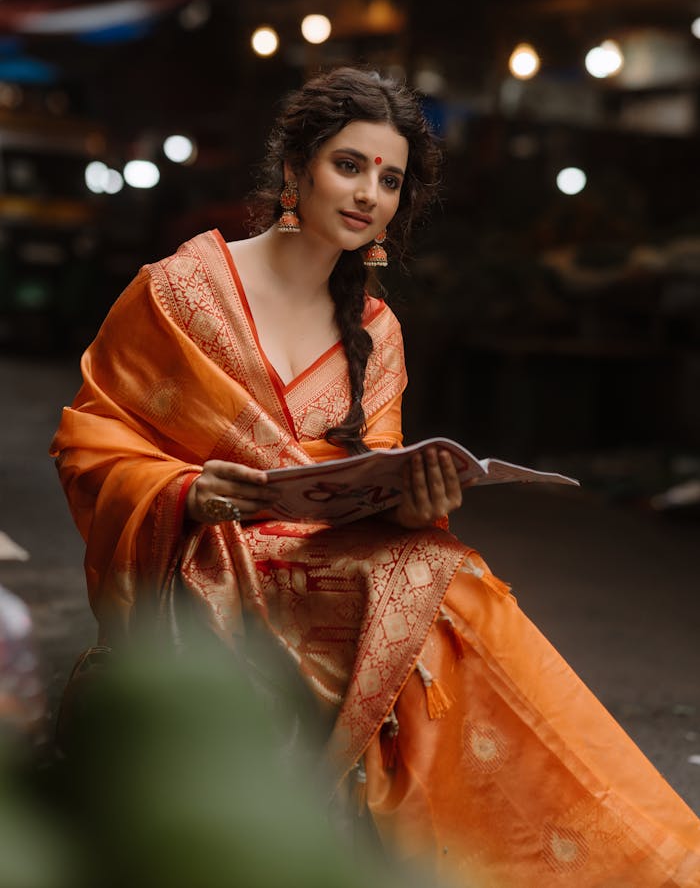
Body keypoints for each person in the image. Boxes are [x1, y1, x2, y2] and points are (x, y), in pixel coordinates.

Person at [51, 67, 700, 887]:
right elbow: (89, 444)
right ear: (294, 171)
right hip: (213, 555)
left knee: (443, 576)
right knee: (440, 590)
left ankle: (604, 851)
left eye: (390, 179)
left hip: (328, 553)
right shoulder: (178, 292)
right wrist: (182, 491)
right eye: (349, 166)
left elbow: (374, 477)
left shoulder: (375, 328)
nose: (369, 194)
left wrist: (416, 500)